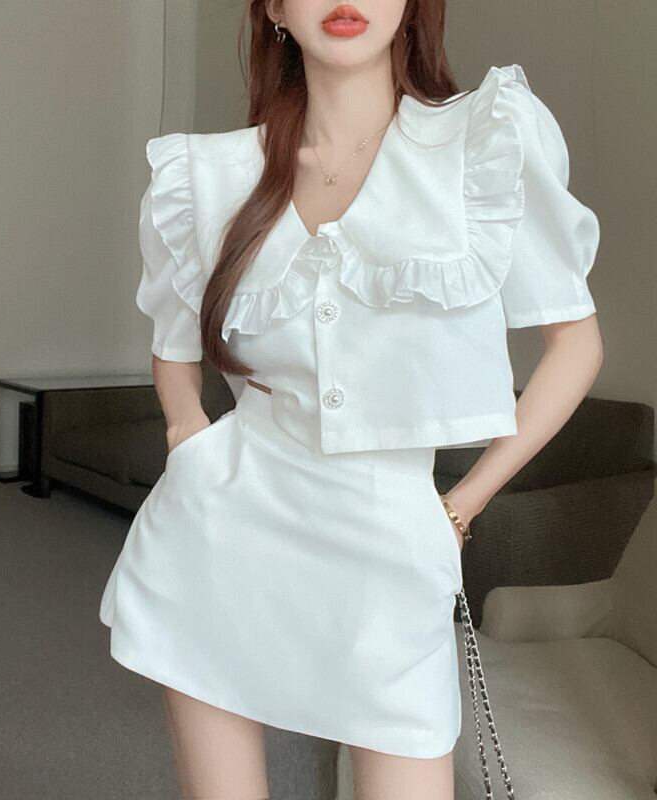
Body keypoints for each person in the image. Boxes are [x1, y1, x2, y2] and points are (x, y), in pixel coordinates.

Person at [99, 2, 604, 798]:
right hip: (222, 536)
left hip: (392, 549)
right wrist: (186, 436)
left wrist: (461, 507)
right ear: (274, 8)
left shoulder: (482, 143)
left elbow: (576, 346)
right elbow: (174, 344)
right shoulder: (207, 177)